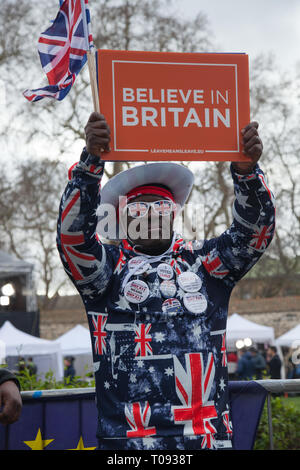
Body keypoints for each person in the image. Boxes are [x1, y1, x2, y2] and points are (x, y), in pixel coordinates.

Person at [57, 113, 275, 450]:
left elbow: (254, 234)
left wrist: (247, 173)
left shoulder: (205, 265)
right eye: (138, 208)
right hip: (128, 442)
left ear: (173, 213)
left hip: (205, 438)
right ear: (122, 216)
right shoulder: (106, 272)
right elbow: (72, 239)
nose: (151, 214)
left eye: (161, 205)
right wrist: (90, 164)